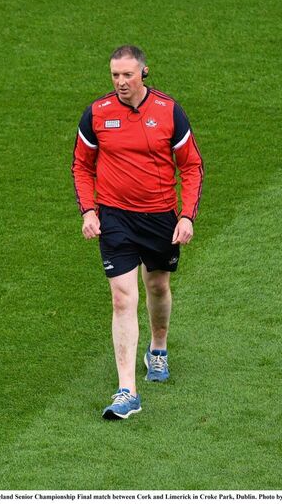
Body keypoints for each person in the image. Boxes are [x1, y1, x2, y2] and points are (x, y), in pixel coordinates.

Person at [71, 45, 204, 420]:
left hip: (160, 218)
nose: (120, 82)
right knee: (121, 298)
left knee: (158, 286)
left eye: (127, 75)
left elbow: (191, 166)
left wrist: (186, 216)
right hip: (115, 220)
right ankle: (127, 389)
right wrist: (89, 211)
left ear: (144, 72)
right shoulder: (97, 114)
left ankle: (157, 348)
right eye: (115, 75)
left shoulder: (168, 112)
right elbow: (81, 165)